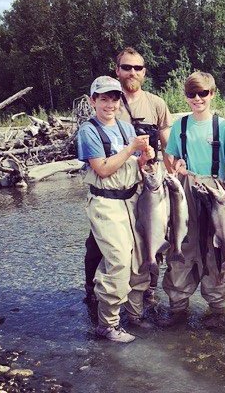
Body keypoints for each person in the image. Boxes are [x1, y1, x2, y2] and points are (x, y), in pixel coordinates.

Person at [83, 47, 173, 319]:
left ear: (144, 72)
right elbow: (99, 163)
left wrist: (169, 170)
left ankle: (146, 292)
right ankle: (95, 294)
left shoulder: (156, 103)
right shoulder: (100, 115)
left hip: (142, 185)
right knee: (99, 246)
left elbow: (167, 143)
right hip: (108, 193)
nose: (132, 72)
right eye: (126, 67)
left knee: (148, 239)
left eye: (137, 68)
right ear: (117, 70)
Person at [77, 75, 154, 342]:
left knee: (140, 258)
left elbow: (136, 166)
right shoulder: (88, 131)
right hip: (106, 204)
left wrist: (144, 158)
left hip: (132, 200)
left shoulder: (125, 128)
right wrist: (133, 147)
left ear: (120, 101)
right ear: (93, 101)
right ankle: (107, 323)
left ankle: (135, 314)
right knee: (119, 260)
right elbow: (103, 168)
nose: (110, 104)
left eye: (114, 98)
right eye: (104, 99)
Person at [161, 71, 225, 326]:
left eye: (203, 93)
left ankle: (218, 308)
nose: (197, 99)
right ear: (186, 98)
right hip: (186, 190)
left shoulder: (224, 127)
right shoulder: (179, 127)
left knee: (216, 250)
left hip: (215, 191)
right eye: (192, 94)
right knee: (183, 245)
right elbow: (170, 163)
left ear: (212, 94)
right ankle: (178, 306)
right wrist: (177, 169)